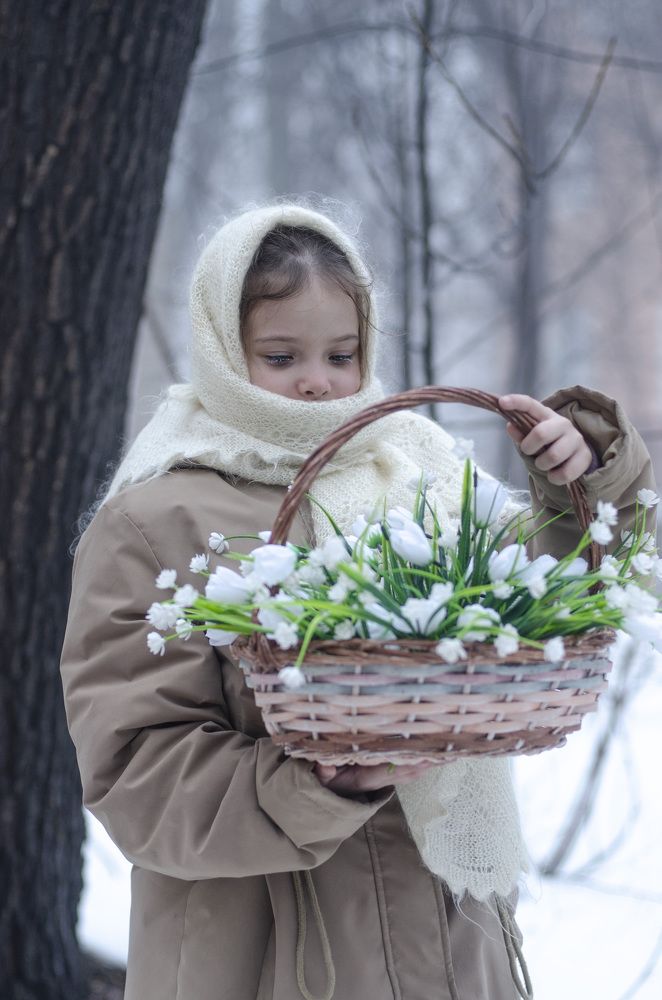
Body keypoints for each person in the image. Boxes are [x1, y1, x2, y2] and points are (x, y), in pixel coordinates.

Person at [60, 201, 656, 1000]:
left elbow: (544, 596)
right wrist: (315, 787)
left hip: (449, 945)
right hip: (259, 959)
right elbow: (136, 769)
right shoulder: (157, 519)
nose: (319, 379)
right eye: (280, 355)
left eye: (342, 353)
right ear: (220, 348)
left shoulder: (414, 470)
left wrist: (582, 478)